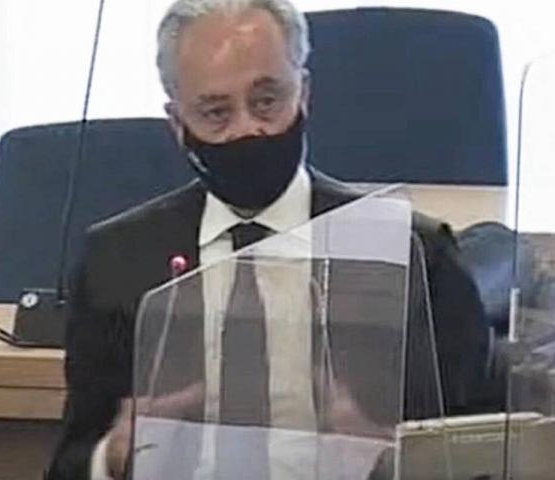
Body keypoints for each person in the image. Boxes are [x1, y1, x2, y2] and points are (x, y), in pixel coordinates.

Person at [46, 0, 490, 478]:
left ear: (304, 93)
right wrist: (113, 458)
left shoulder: (413, 253)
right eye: (216, 112)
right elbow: (71, 462)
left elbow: (484, 455)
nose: (248, 129)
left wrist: (391, 458)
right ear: (177, 124)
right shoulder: (117, 262)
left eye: (266, 101)